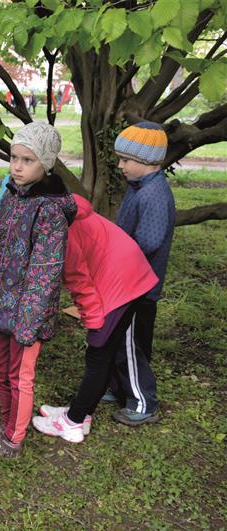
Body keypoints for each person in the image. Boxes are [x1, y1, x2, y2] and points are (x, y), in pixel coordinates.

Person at [0, 122, 76, 461]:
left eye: (27, 160)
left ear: (46, 164)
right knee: (0, 370)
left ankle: (13, 440)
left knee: (19, 376)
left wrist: (29, 321)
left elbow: (46, 272)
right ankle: (6, 423)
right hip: (3, 304)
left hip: (27, 314)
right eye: (13, 157)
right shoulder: (13, 196)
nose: (17, 166)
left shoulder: (50, 209)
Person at [31, 193, 159, 442]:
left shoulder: (58, 233)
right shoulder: (65, 208)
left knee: (99, 353)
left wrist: (92, 319)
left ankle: (74, 422)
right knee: (105, 351)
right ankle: (82, 412)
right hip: (130, 271)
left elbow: (80, 281)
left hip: (119, 283)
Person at [108, 121, 174, 426]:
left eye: (125, 160)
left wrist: (117, 251)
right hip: (129, 282)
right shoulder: (139, 187)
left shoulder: (154, 194)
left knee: (130, 346)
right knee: (122, 339)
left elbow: (148, 241)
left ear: (147, 162)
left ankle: (142, 401)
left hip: (139, 287)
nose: (120, 165)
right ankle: (121, 387)